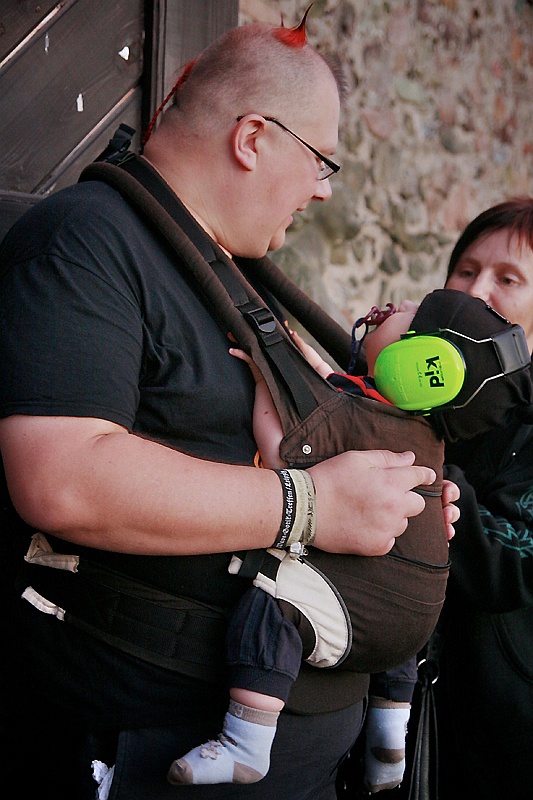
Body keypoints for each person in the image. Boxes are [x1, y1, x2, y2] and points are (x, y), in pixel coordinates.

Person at [0, 13, 459, 800]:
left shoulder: (227, 270)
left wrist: (391, 499)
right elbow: (63, 475)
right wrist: (311, 504)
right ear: (251, 139)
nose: (321, 187)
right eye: (321, 161)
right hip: (140, 742)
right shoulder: (86, 241)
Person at [168, 288, 533, 792]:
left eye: (407, 318)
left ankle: (246, 742)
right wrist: (303, 366)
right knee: (395, 624)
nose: (394, 304)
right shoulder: (422, 438)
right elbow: (336, 393)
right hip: (412, 630)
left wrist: (264, 378)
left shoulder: (366, 422)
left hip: (360, 614)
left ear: (423, 363)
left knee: (271, 600)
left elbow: (282, 452)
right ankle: (389, 740)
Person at [428, 197, 533, 800]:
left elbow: (511, 568)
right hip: (402, 714)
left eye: (508, 278)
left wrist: (426, 452)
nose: (477, 290)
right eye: (466, 270)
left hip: (502, 739)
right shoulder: (412, 385)